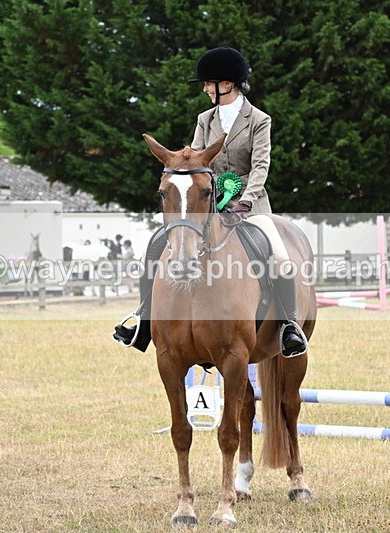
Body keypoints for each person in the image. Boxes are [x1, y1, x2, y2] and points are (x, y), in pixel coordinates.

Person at [113, 47, 307, 357]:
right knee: (156, 245)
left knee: (280, 254)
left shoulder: (259, 119)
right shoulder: (205, 119)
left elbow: (260, 166)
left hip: (251, 206)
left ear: (228, 83)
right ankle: (144, 320)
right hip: (209, 202)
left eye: (208, 83)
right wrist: (206, 194)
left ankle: (288, 326)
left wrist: (246, 199)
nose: (205, 89)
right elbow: (198, 162)